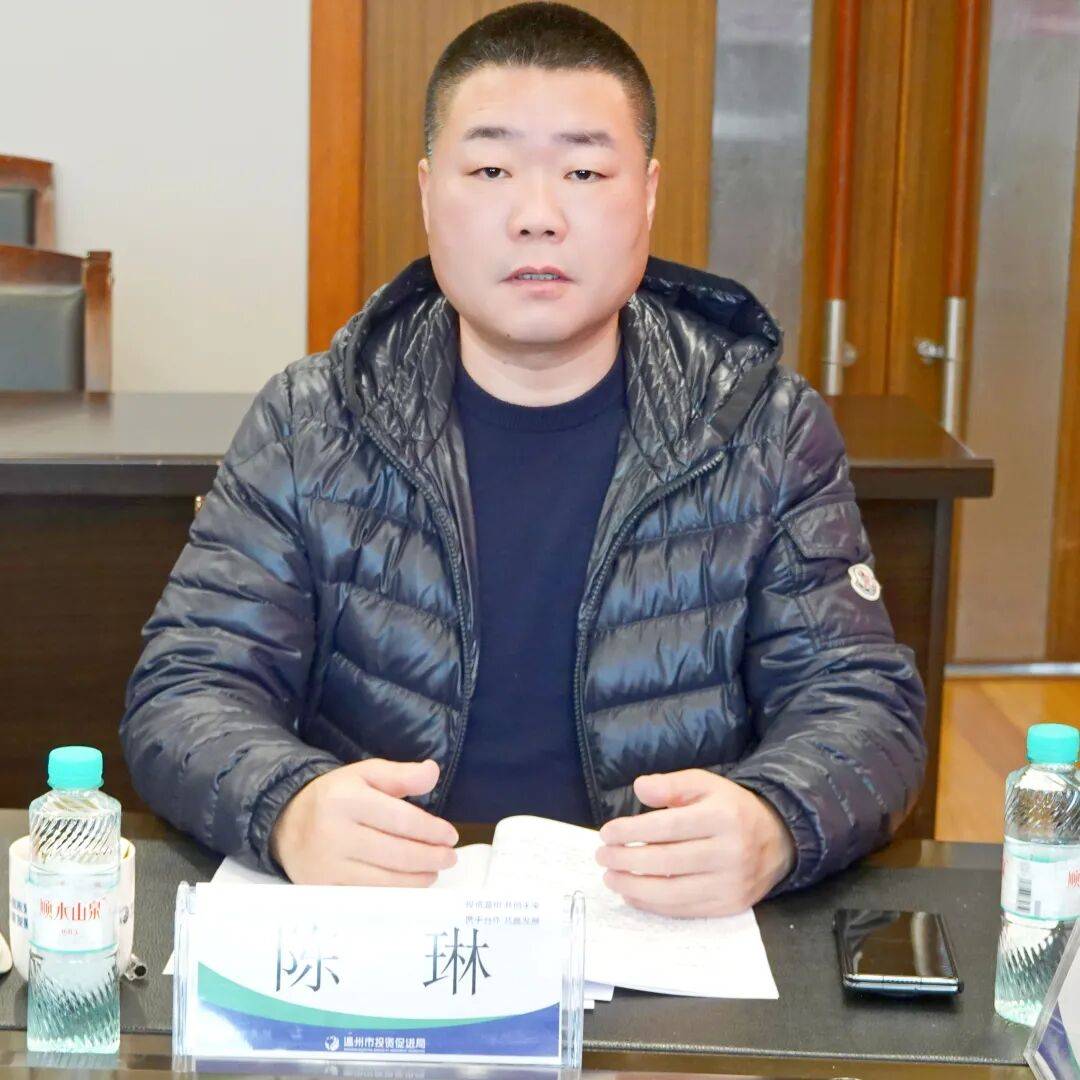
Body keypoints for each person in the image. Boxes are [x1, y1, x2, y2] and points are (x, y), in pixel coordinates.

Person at [121, 1, 926, 917]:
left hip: (655, 931)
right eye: (491, 170)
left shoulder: (763, 425)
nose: (537, 216)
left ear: (647, 194)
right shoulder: (313, 420)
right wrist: (289, 806)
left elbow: (864, 707)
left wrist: (775, 819)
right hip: (389, 928)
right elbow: (185, 689)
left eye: (583, 171)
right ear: (429, 192)